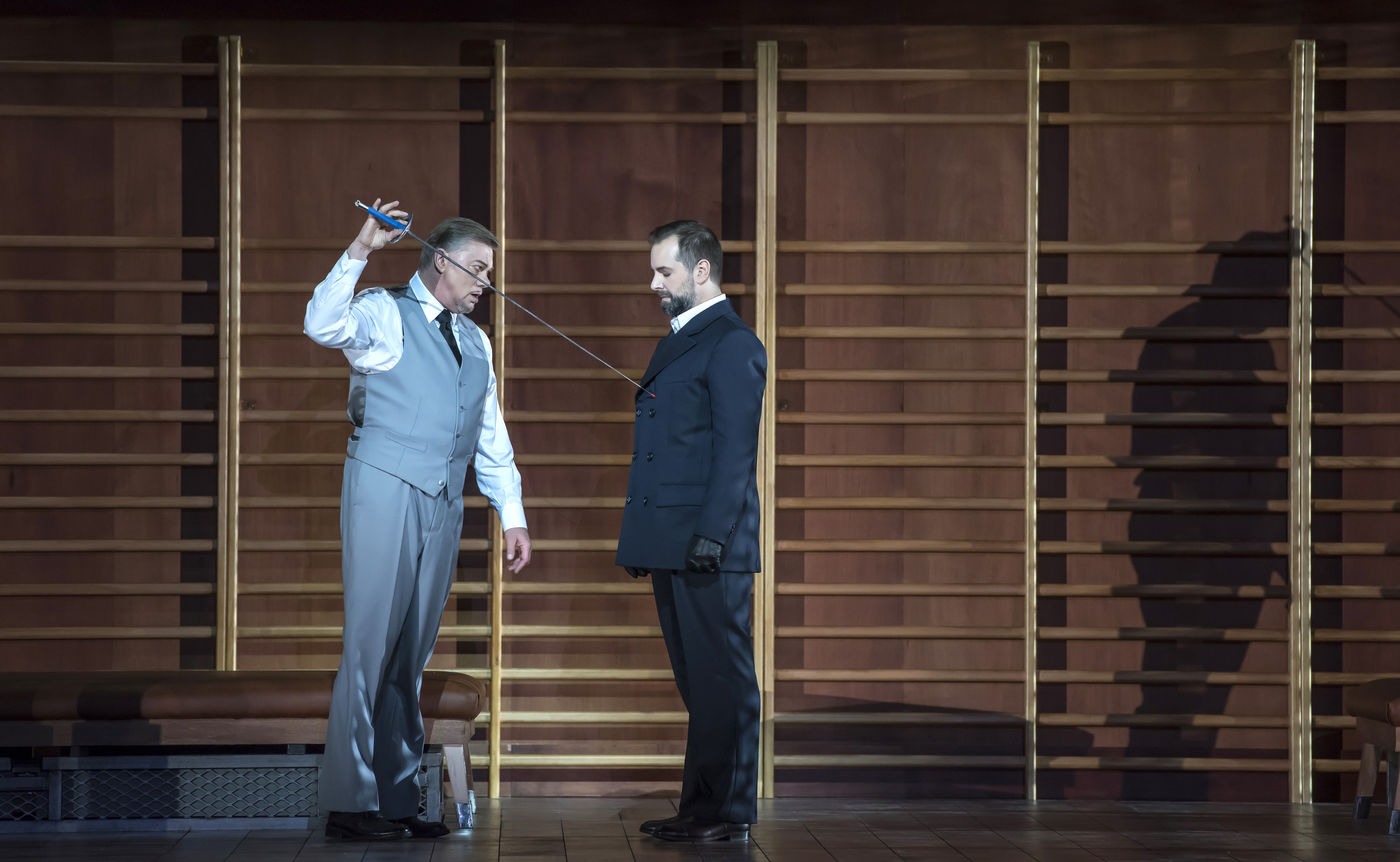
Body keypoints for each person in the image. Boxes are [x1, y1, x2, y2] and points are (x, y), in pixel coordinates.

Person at [304, 199, 532, 841]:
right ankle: (351, 802)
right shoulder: (385, 312)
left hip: (443, 501)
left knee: (410, 653)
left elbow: (490, 436)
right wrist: (360, 250)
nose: (487, 284)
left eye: (490, 272)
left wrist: (511, 515)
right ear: (440, 262)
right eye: (478, 269)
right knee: (369, 646)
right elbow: (321, 324)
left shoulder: (476, 341)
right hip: (384, 488)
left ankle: (397, 799)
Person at [615, 220, 767, 843]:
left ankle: (726, 812)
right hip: (672, 539)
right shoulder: (683, 339)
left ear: (701, 270)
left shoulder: (731, 342)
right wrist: (644, 535)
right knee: (698, 683)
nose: (654, 283)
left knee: (723, 680)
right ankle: (702, 808)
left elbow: (736, 452)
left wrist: (713, 535)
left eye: (664, 271)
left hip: (710, 545)